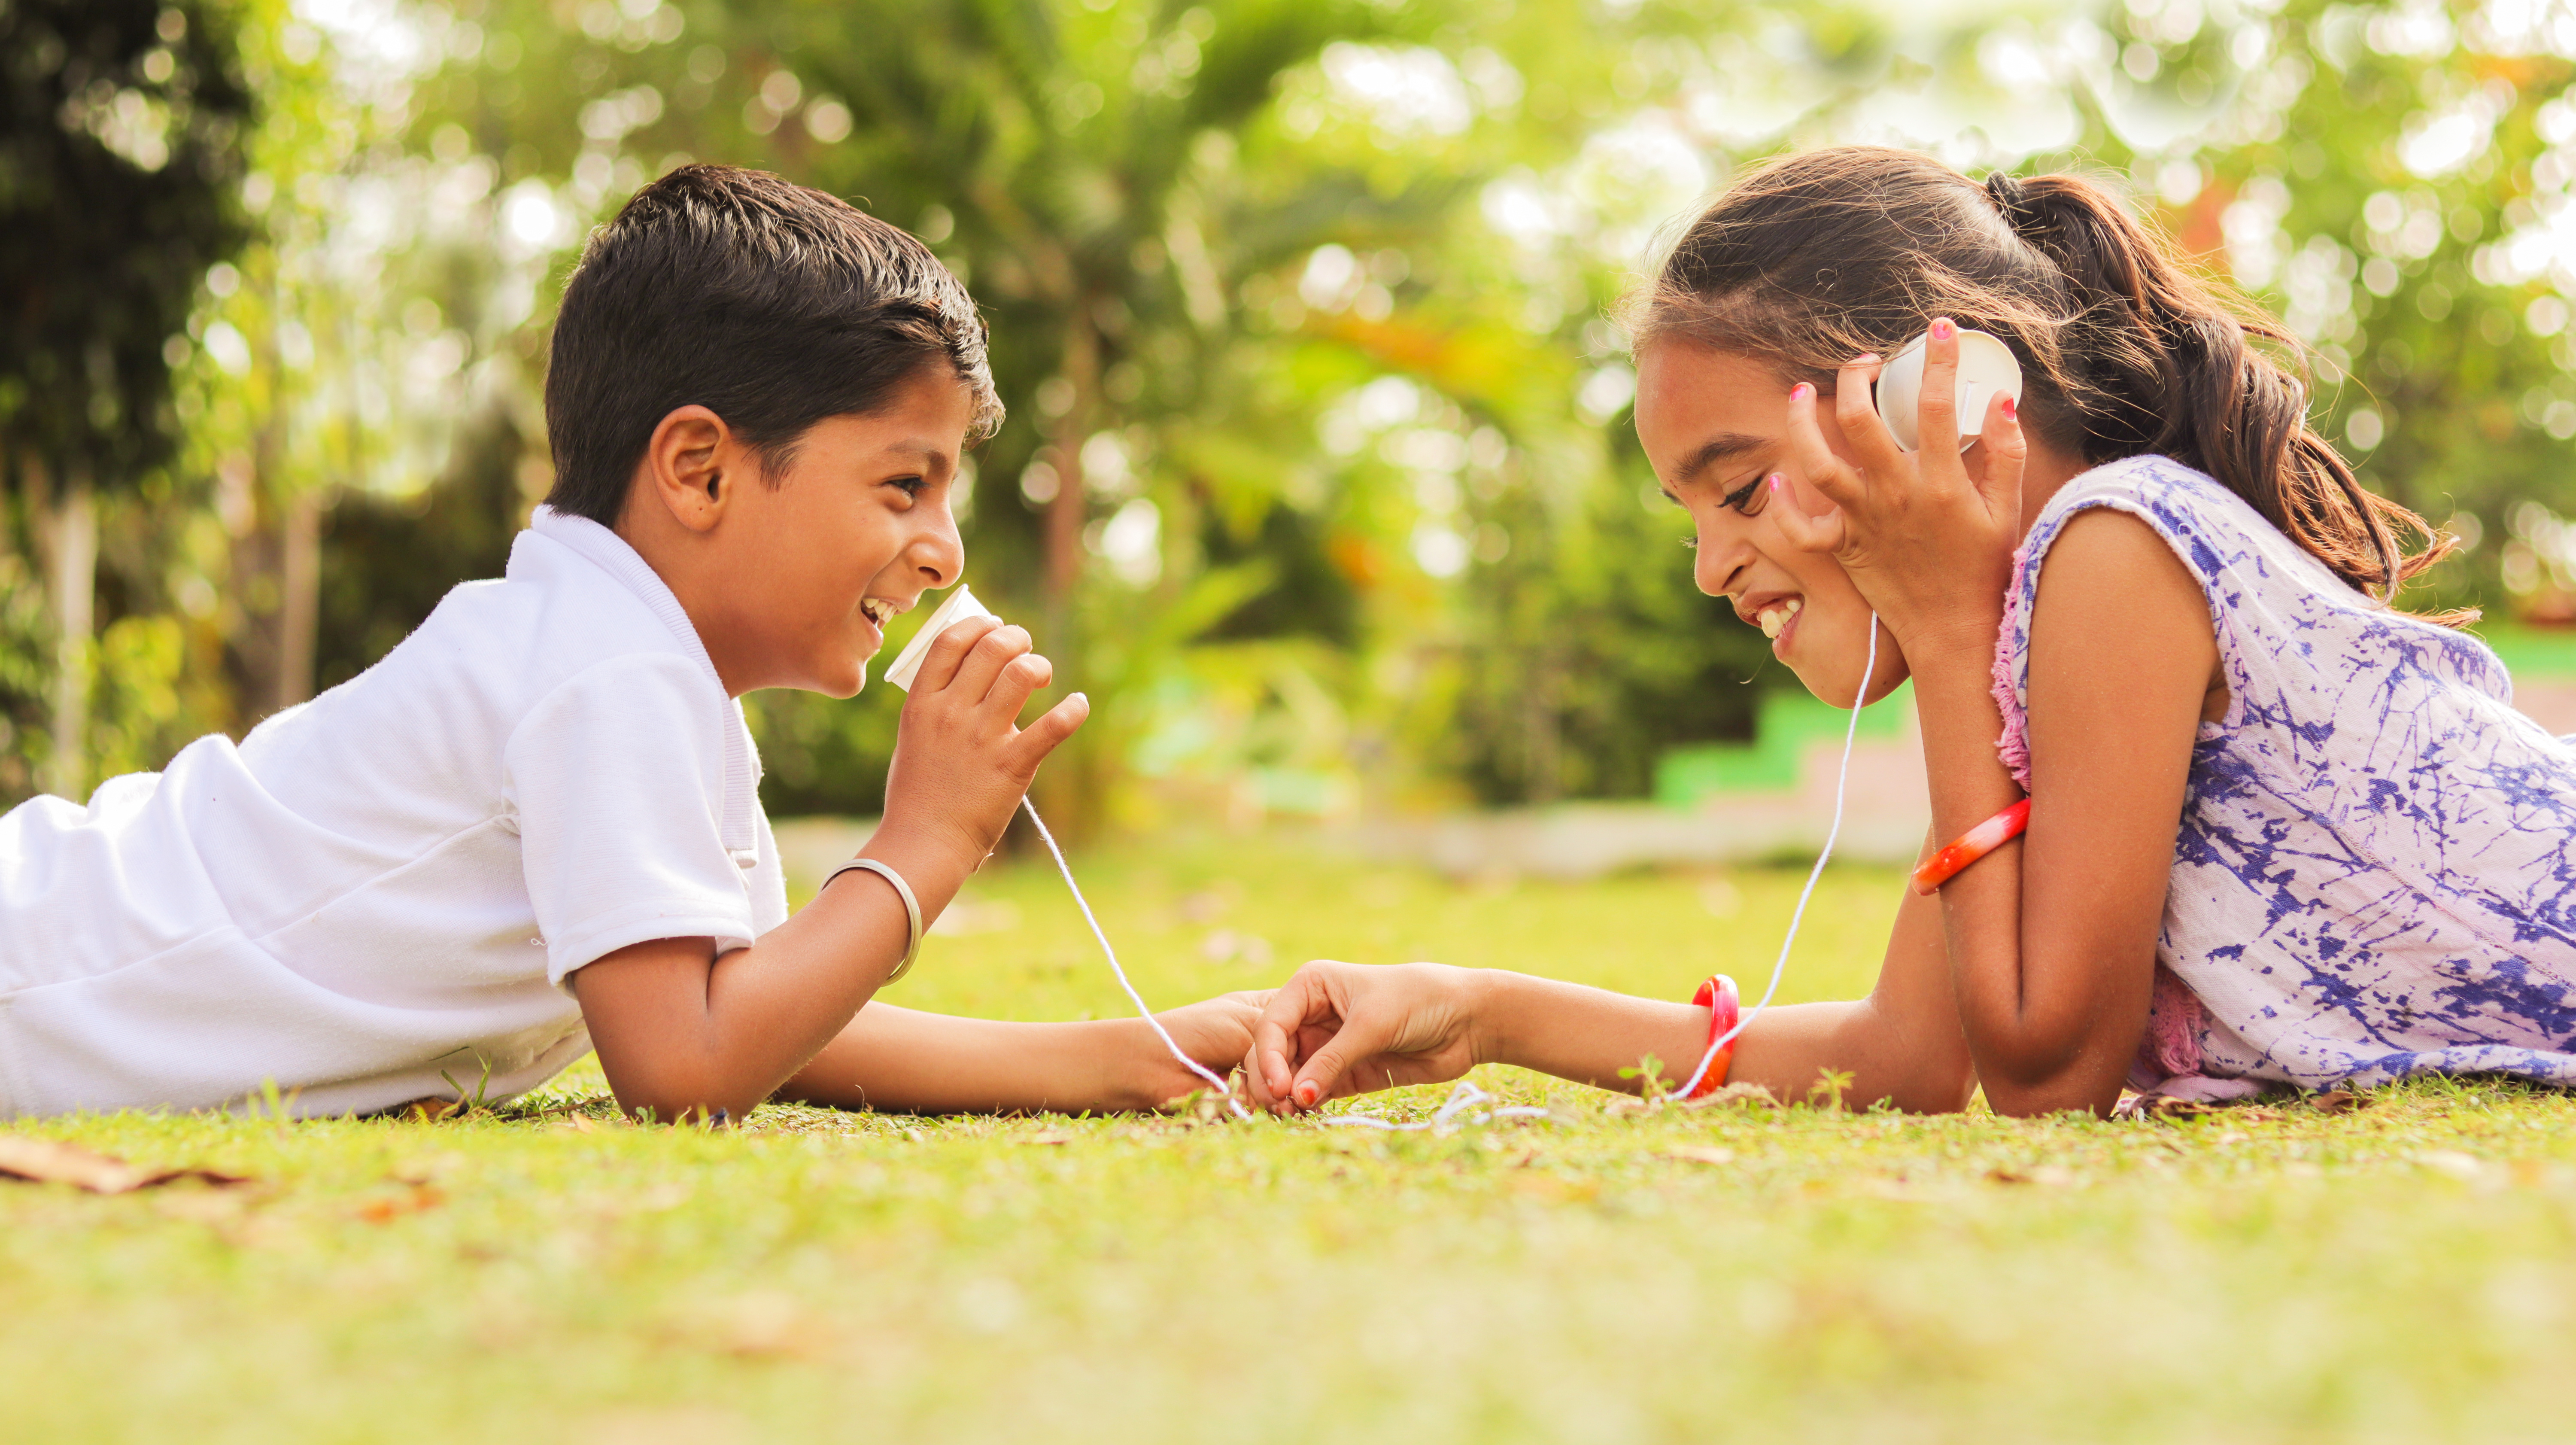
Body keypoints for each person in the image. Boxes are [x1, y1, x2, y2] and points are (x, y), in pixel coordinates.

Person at [1248, 145, 2576, 1119]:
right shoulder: (2042, 627)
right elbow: (1908, 1055)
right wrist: (1482, 1013)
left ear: (1936, 394)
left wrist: (1944, 631)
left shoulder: (2118, 550)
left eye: (1739, 484)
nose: (1715, 567)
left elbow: (2043, 1072)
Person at [0, 165, 1258, 1122]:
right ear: (700, 469)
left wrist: (1154, 1055)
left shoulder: (633, 665)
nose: (943, 551)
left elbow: (772, 1017)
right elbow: (689, 1067)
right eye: (902, 486)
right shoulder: (607, 668)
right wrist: (926, 843)